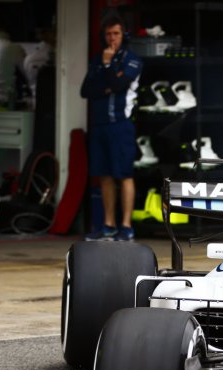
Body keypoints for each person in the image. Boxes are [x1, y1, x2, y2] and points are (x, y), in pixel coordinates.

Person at [81, 16, 142, 241]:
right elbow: (86, 90)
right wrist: (107, 82)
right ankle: (109, 225)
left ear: (123, 35)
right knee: (104, 175)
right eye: (108, 34)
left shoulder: (132, 60)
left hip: (121, 123)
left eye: (116, 33)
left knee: (124, 174)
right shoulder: (97, 59)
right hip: (99, 124)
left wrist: (107, 69)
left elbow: (118, 84)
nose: (112, 38)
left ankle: (126, 226)